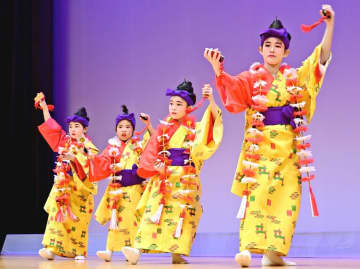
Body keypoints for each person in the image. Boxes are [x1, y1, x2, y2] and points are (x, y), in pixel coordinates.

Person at [204, 4, 334, 267]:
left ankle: (274, 255)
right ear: (260, 50)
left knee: (287, 199)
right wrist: (219, 72)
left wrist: (330, 25)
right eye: (268, 45)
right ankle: (247, 250)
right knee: (257, 196)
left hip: (289, 151)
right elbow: (233, 93)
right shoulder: (251, 78)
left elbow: (319, 61)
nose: (272, 49)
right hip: (261, 149)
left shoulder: (295, 76)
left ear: (286, 51)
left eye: (278, 45)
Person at [121, 80, 223, 264]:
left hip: (186, 177)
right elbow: (152, 150)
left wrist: (211, 100)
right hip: (164, 176)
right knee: (153, 210)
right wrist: (154, 168)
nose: (173, 108)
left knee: (182, 215)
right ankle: (137, 250)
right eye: (171, 103)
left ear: (188, 107)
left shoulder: (195, 128)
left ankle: (177, 253)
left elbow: (213, 123)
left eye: (179, 104)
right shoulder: (163, 127)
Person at [35, 93, 99, 260]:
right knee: (57, 216)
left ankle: (79, 251)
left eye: (77, 126)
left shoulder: (89, 148)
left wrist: (75, 160)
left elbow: (91, 167)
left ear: (85, 129)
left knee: (78, 222)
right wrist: (44, 108)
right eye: (71, 126)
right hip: (64, 188)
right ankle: (50, 248)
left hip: (80, 191)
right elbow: (52, 128)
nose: (73, 130)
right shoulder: (66, 141)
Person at [89, 105, 154, 262]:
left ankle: (132, 251)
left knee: (132, 221)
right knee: (115, 221)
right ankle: (109, 251)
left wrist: (148, 125)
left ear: (133, 130)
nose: (124, 130)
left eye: (127, 127)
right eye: (120, 127)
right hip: (117, 188)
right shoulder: (113, 147)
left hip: (134, 187)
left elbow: (153, 142)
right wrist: (93, 158)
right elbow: (103, 162)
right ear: (116, 129)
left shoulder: (137, 145)